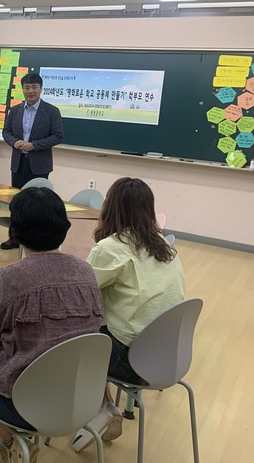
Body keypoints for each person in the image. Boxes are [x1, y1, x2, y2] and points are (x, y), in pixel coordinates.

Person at [0, 187, 103, 463]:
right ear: (63, 228)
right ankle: (9, 440)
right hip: (81, 398)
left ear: (15, 230)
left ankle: (9, 438)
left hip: (27, 403)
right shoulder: (86, 272)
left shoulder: (12, 277)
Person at [71, 177, 186, 452]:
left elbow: (80, 292)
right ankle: (104, 405)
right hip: (171, 356)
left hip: (133, 361)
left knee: (73, 332)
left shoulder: (111, 248)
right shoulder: (164, 244)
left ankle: (101, 407)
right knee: (103, 321)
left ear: (110, 208)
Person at [0, 72, 63, 250]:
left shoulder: (51, 111)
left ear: (41, 89)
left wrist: (33, 145)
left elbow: (58, 136)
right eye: (27, 87)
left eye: (34, 87)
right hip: (18, 163)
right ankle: (14, 238)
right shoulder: (15, 110)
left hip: (39, 166)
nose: (30, 91)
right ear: (22, 89)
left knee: (38, 205)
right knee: (17, 202)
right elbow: (6, 132)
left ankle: (35, 239)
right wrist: (15, 143)